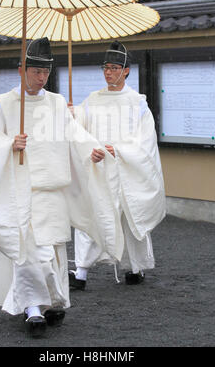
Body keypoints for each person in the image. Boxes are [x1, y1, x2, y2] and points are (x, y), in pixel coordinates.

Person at [0, 37, 123, 338]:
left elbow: (75, 135)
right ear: (22, 70)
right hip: (24, 190)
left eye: (46, 72)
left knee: (55, 249)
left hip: (53, 189)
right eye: (36, 71)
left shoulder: (56, 103)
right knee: (32, 251)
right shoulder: (4, 105)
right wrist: (8, 144)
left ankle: (55, 301)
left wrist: (91, 150)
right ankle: (32, 308)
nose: (41, 78)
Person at [68, 40, 166, 290]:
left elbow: (146, 141)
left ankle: (135, 267)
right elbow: (81, 127)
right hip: (99, 168)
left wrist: (120, 151)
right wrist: (71, 114)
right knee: (93, 216)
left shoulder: (137, 102)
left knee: (131, 218)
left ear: (126, 71)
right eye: (105, 67)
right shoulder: (93, 99)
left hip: (126, 168)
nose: (108, 72)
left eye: (114, 67)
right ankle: (80, 270)